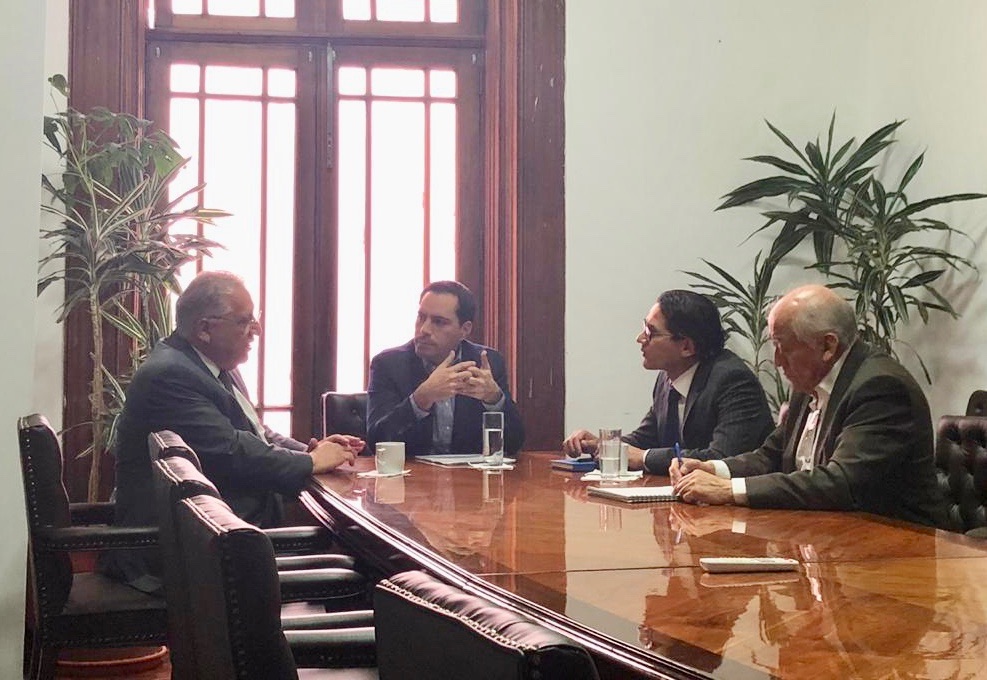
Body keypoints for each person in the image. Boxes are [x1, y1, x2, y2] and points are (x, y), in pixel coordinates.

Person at [102, 271, 363, 593]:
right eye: (244, 321)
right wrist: (311, 463)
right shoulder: (170, 375)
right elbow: (231, 451)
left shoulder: (209, 366)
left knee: (346, 544)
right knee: (355, 560)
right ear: (205, 329)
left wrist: (310, 452)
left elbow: (256, 433)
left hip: (217, 534)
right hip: (180, 553)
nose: (257, 329)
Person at [670, 284, 948, 528]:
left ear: (828, 346)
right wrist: (713, 469)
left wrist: (729, 490)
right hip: (828, 535)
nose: (777, 361)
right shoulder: (809, 383)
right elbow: (771, 456)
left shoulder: (880, 387)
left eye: (782, 346)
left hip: (898, 546)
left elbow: (841, 482)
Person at [562, 289, 774, 474]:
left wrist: (645, 458)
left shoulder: (732, 380)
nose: (640, 339)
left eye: (651, 332)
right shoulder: (667, 378)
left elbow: (720, 459)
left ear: (686, 347)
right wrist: (603, 445)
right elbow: (646, 438)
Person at [367, 280, 524, 456]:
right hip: (412, 472)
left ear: (465, 329)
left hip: (470, 472)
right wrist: (420, 399)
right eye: (421, 317)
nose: (424, 329)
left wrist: (494, 399)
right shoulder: (388, 365)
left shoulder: (487, 363)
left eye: (439, 322)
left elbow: (515, 443)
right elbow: (376, 441)